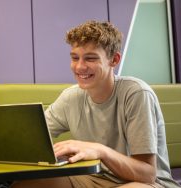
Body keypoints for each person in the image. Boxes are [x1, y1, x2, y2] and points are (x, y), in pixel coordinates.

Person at [11, 21, 180, 188]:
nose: (80, 66)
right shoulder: (71, 97)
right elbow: (30, 138)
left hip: (146, 183)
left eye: (90, 58)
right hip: (92, 179)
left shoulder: (136, 93)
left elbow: (147, 174)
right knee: (26, 185)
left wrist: (100, 151)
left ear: (114, 60)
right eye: (75, 58)